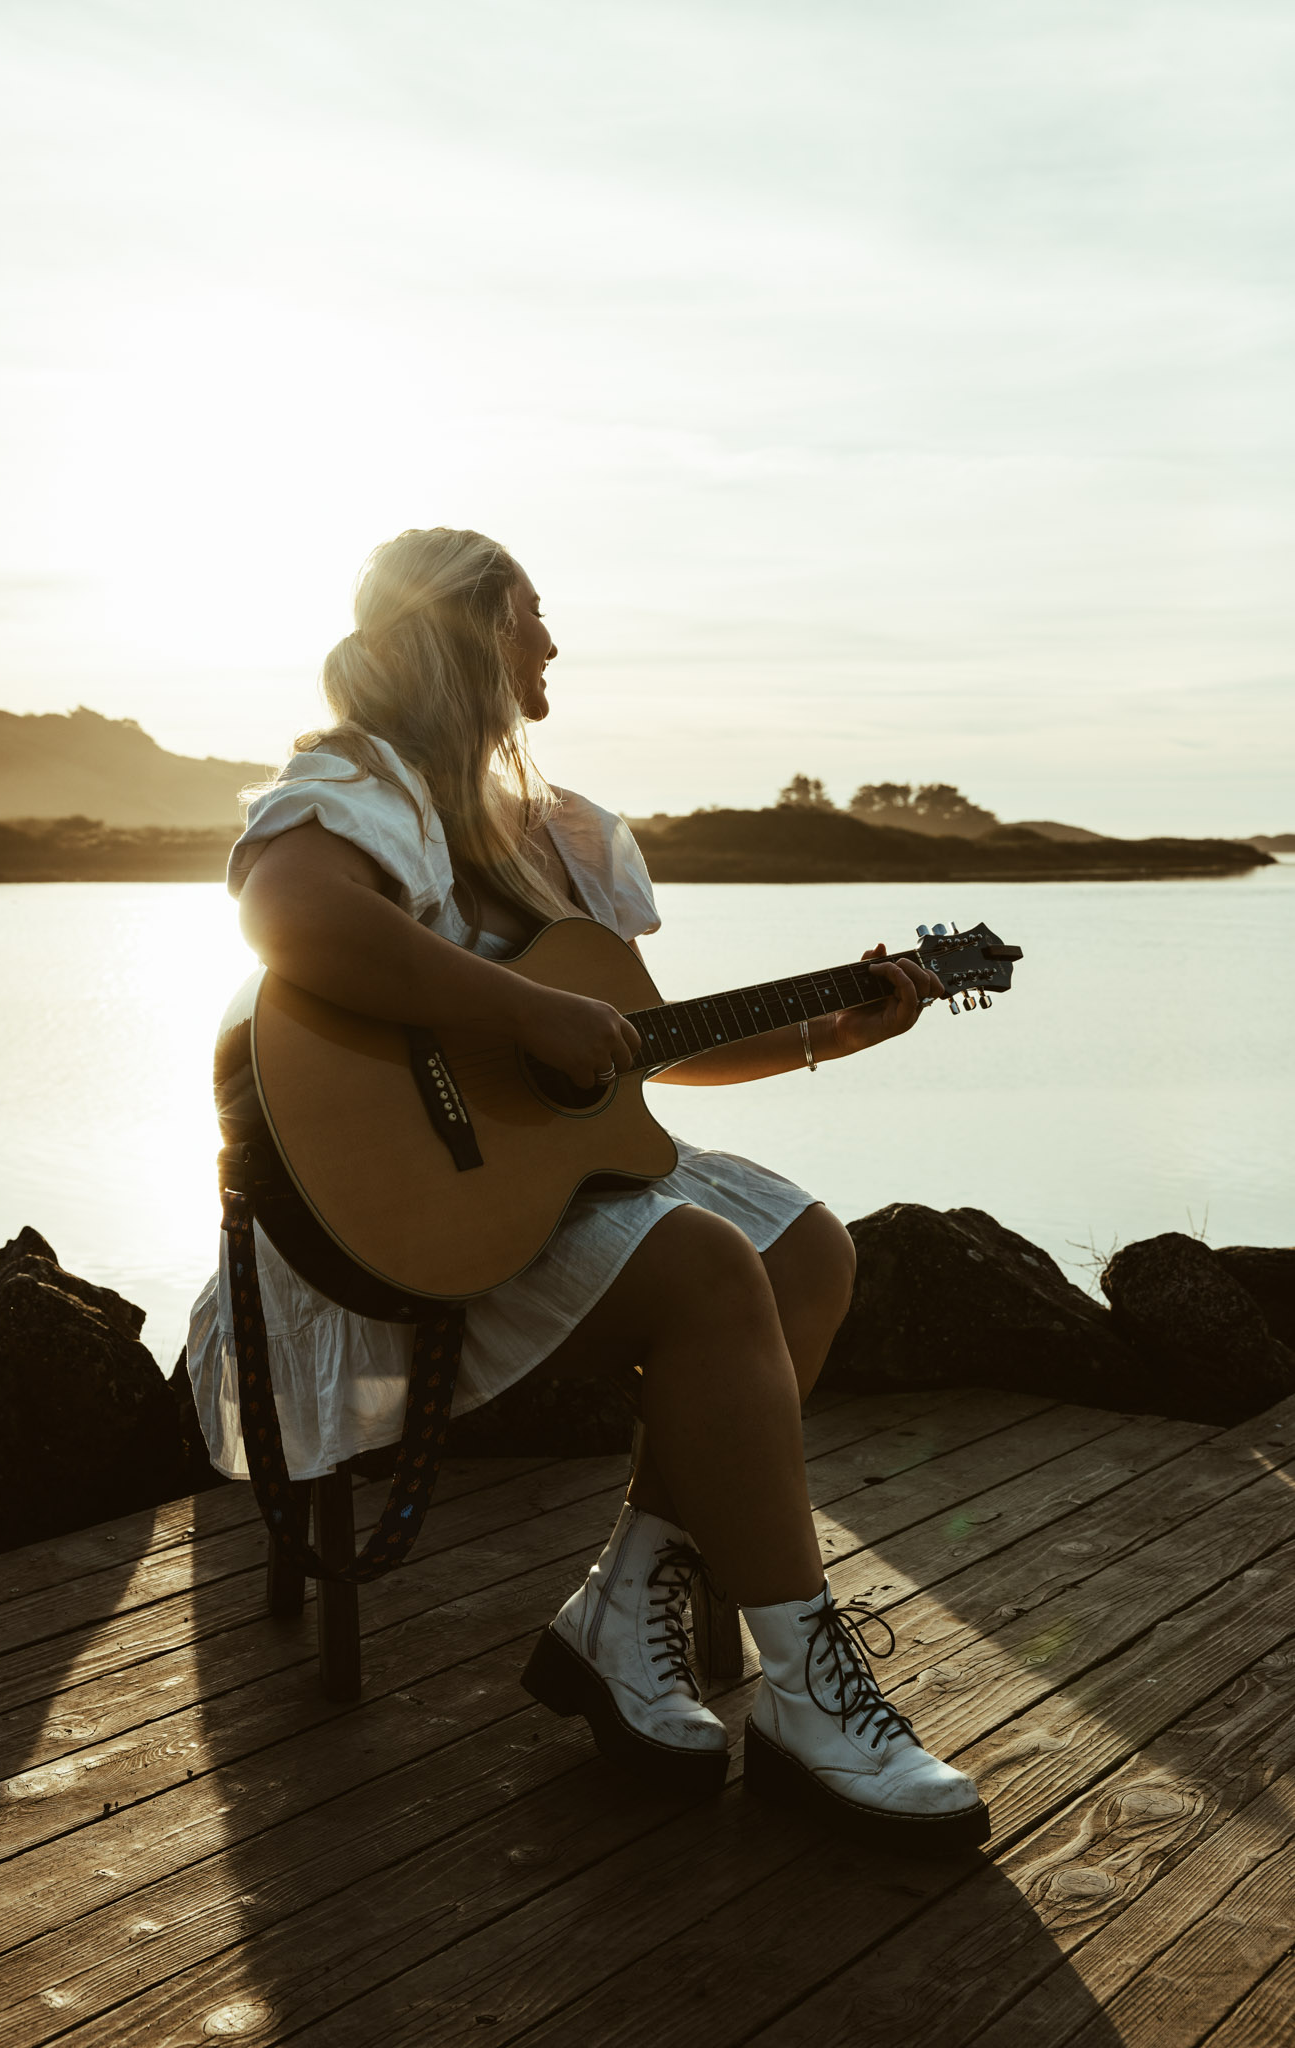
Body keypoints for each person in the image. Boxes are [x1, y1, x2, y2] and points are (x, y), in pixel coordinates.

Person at [186, 526, 987, 1847]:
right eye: (528, 617)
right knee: (705, 1267)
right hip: (378, 1221)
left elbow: (630, 1050)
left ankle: (627, 1604)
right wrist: (512, 1008)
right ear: (463, 634)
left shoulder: (554, 837)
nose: (552, 644)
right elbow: (291, 918)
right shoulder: (357, 783)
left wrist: (838, 1025)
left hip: (525, 1193)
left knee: (806, 1247)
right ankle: (806, 1690)